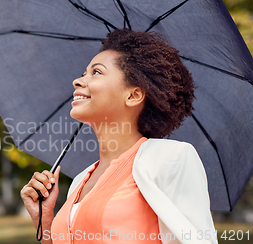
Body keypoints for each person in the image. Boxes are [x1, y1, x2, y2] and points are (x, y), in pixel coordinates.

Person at [20, 29, 217, 244]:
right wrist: (45, 221)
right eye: (84, 72)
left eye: (96, 72)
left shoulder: (170, 158)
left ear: (133, 95)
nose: (78, 81)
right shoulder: (80, 180)